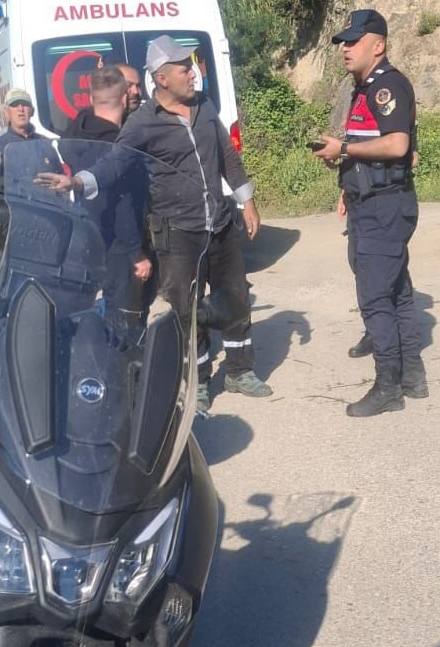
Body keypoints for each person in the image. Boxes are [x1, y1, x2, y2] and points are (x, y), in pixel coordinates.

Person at [38, 36, 271, 414]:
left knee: (234, 296)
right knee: (187, 308)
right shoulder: (143, 123)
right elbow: (113, 162)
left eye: (191, 67)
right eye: (184, 69)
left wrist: (248, 202)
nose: (193, 73)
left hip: (219, 224)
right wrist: (79, 181)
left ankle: (240, 370)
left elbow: (227, 154)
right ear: (162, 79)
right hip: (178, 232)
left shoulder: (204, 106)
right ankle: (199, 381)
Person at [313, 9, 427, 416]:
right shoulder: (362, 88)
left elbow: (398, 146)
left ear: (378, 46)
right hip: (369, 199)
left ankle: (388, 387)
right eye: (344, 42)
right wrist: (346, 182)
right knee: (395, 290)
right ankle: (412, 376)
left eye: (354, 42)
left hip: (385, 205)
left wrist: (343, 149)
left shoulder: (387, 86)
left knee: (375, 296)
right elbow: (370, 146)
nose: (345, 49)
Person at [62, 65, 153, 316]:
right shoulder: (118, 147)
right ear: (124, 99)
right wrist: (136, 254)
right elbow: (123, 204)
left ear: (92, 99)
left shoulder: (78, 132)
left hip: (88, 237)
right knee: (125, 316)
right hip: (119, 247)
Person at [0, 87, 46, 176]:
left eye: (25, 104)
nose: (21, 109)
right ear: (6, 112)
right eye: (15, 104)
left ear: (32, 111)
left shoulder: (46, 143)